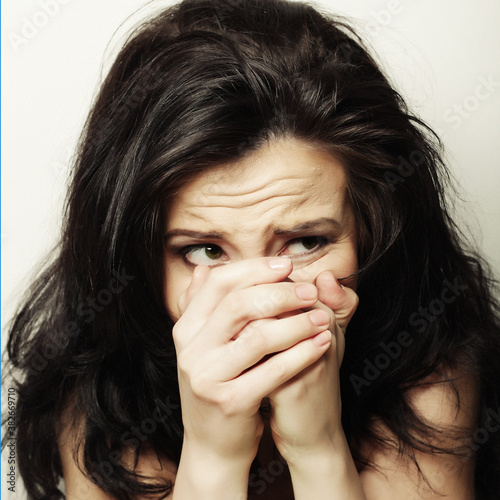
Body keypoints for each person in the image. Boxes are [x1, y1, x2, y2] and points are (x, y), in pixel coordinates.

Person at [3, 0, 500, 498]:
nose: (256, 304)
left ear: (372, 234)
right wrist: (214, 456)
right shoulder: (100, 396)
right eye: (205, 251)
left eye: (306, 243)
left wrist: (318, 449)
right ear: (137, 260)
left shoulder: (431, 374)